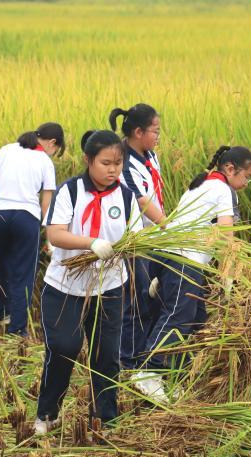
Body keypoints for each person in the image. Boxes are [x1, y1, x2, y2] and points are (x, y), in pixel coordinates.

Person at [35, 130, 142, 435]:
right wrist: (91, 243)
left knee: (106, 355)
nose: (112, 170)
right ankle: (48, 412)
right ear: (88, 160)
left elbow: (134, 237)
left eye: (118, 163)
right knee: (64, 347)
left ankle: (104, 418)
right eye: (105, 163)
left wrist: (135, 253)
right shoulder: (70, 191)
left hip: (108, 287)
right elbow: (55, 234)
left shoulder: (125, 196)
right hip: (65, 286)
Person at [133, 146, 251, 403]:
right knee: (179, 315)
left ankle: (171, 378)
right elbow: (225, 235)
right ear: (231, 169)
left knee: (195, 318)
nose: (247, 183)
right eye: (246, 177)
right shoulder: (223, 190)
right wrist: (229, 275)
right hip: (183, 259)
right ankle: (148, 371)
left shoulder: (198, 185)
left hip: (168, 255)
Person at [0, 123, 65, 336]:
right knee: (24, 273)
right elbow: (46, 201)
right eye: (56, 150)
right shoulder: (44, 161)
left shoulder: (6, 149)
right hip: (26, 217)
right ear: (52, 143)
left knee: (1, 264)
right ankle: (17, 329)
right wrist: (49, 234)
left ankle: (2, 314)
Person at [108, 104, 167, 371]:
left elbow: (155, 194)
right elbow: (141, 200)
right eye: (155, 131)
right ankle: (128, 361)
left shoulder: (151, 155)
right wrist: (169, 226)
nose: (158, 136)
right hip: (134, 240)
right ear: (138, 131)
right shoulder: (124, 162)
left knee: (153, 298)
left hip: (155, 238)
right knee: (137, 300)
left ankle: (144, 356)